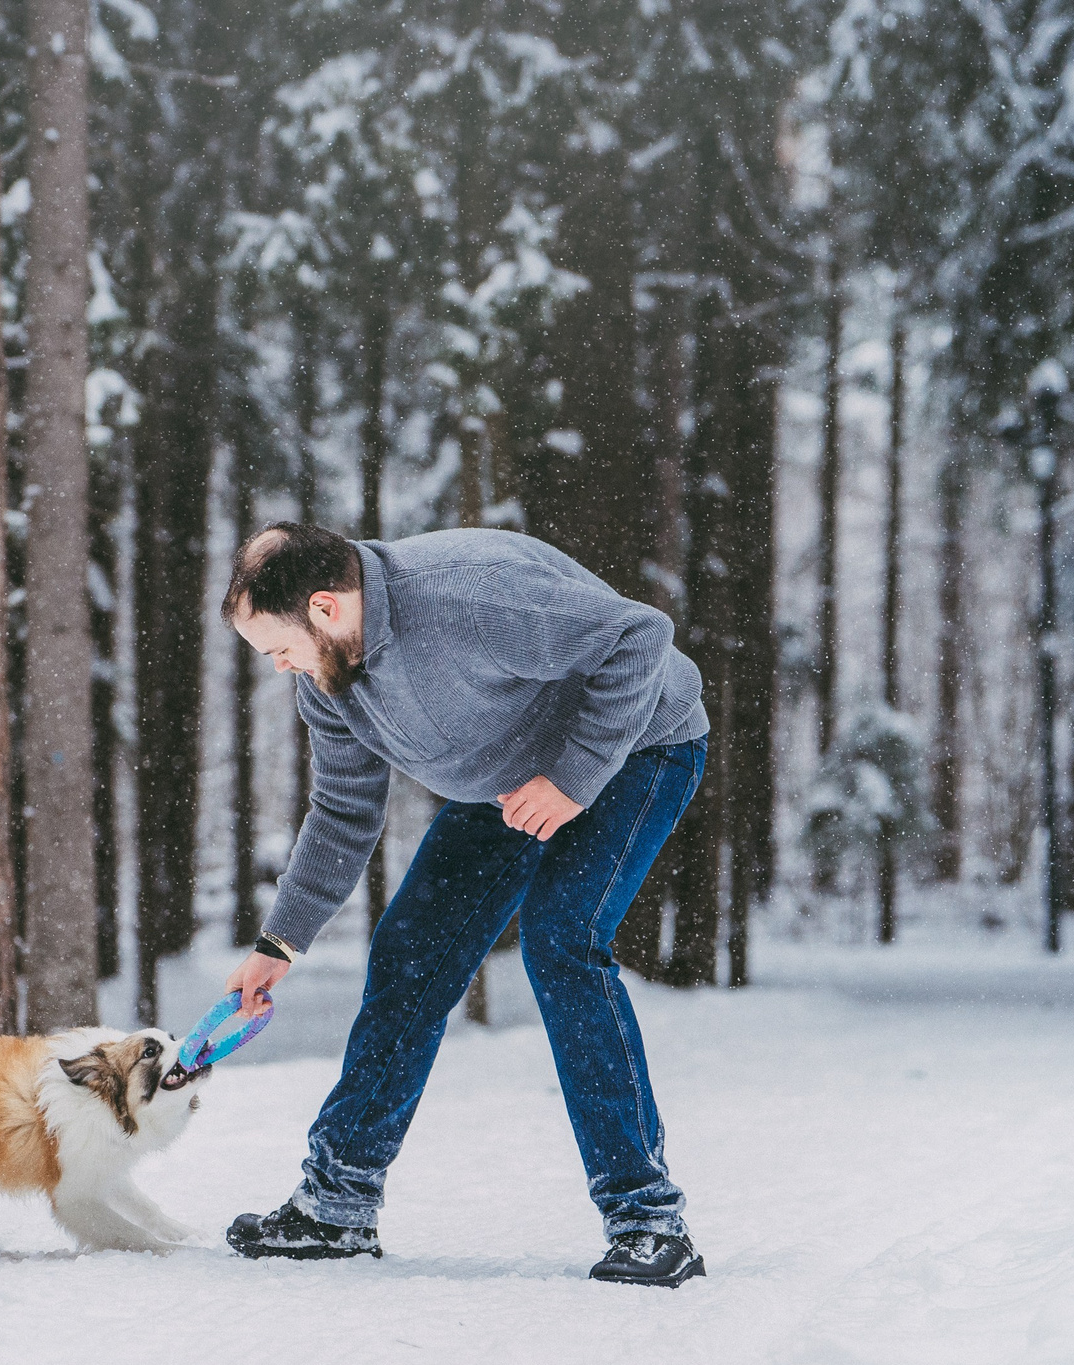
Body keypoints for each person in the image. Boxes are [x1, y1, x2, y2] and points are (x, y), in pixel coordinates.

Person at [219, 522, 712, 1287]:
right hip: (509, 779)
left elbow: (640, 639)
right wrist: (279, 941)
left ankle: (648, 1219)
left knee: (563, 938)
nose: (279, 665)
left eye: (278, 646)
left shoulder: (465, 594)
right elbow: (345, 809)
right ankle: (337, 1201)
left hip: (641, 741)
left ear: (326, 608)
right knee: (411, 951)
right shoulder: (331, 682)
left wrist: (576, 776)